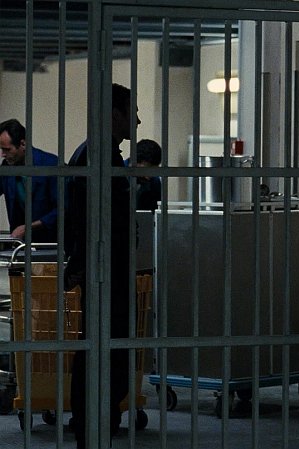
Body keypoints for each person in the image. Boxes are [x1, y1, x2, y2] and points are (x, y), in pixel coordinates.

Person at [66, 83, 140, 449]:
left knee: (100, 350)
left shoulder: (94, 153)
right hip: (106, 270)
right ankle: (95, 425)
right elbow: (92, 219)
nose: (137, 121)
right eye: (132, 112)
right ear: (114, 114)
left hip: (103, 268)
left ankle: (93, 423)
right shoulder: (100, 156)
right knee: (106, 352)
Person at [0, 118, 59, 242]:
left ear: (23, 144)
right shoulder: (7, 167)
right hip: (21, 243)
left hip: (51, 243)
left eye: (7, 149)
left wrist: (29, 227)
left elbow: (63, 210)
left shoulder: (51, 166)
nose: (3, 154)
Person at [125, 138, 162, 211]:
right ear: (134, 162)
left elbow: (155, 212)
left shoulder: (155, 181)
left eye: (153, 171)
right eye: (146, 170)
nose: (149, 176)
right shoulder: (118, 175)